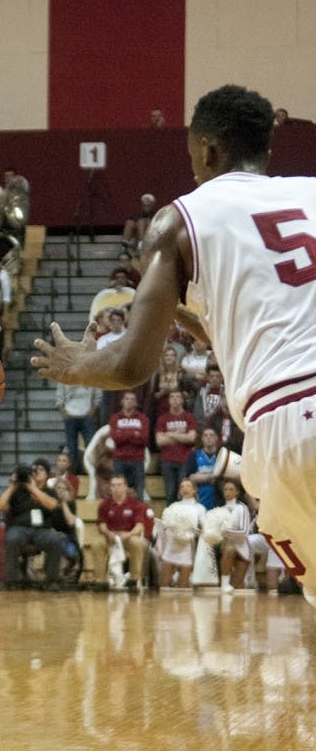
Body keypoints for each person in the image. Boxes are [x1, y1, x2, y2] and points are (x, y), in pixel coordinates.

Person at [32, 82, 316, 605]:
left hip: (289, 426)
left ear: (206, 150)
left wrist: (79, 365)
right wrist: (215, 326)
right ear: (266, 150)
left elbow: (129, 366)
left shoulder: (179, 218)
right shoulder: (310, 192)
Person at [0, 458, 64, 590]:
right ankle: (11, 581)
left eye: (40, 470)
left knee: (54, 539)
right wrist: (13, 485)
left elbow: (53, 505)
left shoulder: (49, 491)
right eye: (34, 471)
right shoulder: (18, 491)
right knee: (12, 538)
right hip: (20, 528)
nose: (36, 473)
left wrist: (33, 488)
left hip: (42, 530)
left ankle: (52, 580)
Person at [90, 474, 148, 592]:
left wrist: (129, 534)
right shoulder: (104, 505)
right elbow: (101, 525)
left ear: (125, 487)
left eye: (119, 485)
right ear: (110, 488)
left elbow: (139, 526)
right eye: (113, 485)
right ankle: (101, 582)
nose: (116, 488)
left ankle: (134, 579)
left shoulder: (136, 504)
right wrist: (108, 533)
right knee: (96, 543)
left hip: (128, 537)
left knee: (138, 543)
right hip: (110, 536)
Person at [157, 478, 205, 589]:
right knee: (163, 586)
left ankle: (183, 580)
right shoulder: (174, 506)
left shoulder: (200, 508)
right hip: (172, 544)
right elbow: (165, 526)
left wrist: (190, 531)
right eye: (182, 487)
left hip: (190, 544)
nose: (184, 489)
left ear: (194, 490)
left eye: (188, 486)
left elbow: (203, 530)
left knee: (182, 588)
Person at [154, 388, 198, 505]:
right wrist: (182, 436)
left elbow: (191, 438)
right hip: (167, 460)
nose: (175, 400)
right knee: (170, 494)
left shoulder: (189, 417)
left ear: (182, 400)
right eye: (172, 397)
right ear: (168, 400)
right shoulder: (163, 418)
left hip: (185, 460)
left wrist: (171, 434)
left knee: (184, 494)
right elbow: (160, 441)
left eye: (178, 397)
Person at [108, 390, 149, 499]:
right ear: (122, 401)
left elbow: (144, 438)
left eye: (132, 399)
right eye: (127, 399)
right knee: (118, 493)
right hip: (119, 460)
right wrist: (134, 433)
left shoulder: (142, 418)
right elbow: (115, 438)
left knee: (139, 493)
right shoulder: (115, 417)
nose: (129, 401)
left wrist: (123, 433)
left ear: (136, 403)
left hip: (137, 460)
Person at [54, 382, 100, 474]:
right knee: (71, 449)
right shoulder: (64, 377)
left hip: (86, 416)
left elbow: (98, 395)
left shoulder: (91, 376)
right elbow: (59, 397)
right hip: (70, 416)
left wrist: (92, 412)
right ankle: (72, 474)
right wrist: (64, 413)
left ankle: (92, 472)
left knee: (91, 446)